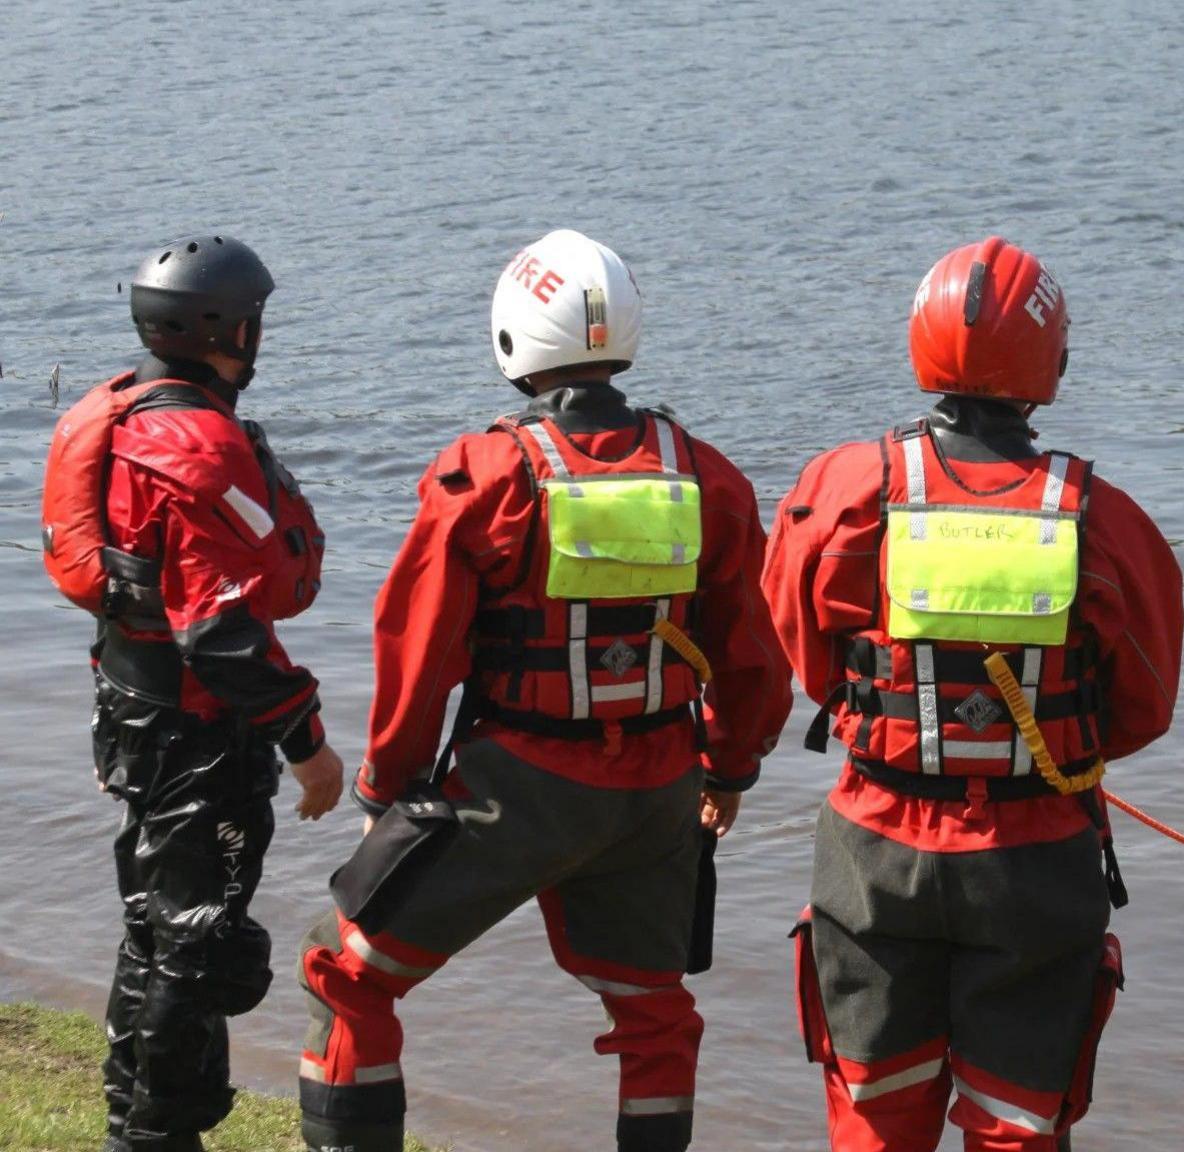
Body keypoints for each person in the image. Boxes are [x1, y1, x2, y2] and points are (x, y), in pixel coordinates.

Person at [293, 229, 791, 1152]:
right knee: (653, 1011)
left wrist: (386, 790)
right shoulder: (707, 474)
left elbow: (417, 652)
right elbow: (754, 658)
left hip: (511, 783)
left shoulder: (481, 477)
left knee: (345, 968)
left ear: (513, 339)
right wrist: (728, 772)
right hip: (657, 789)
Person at [764, 236, 1184, 1152]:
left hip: (873, 852)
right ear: (1054, 361)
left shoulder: (842, 491)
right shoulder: (1101, 517)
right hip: (1035, 861)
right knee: (1018, 1127)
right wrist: (1041, 744)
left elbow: (803, 652)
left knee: (876, 1117)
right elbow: (1144, 704)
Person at [40, 234, 344, 1152]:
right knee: (195, 943)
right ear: (230, 330)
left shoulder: (125, 413)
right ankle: (155, 1136)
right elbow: (217, 630)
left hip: (134, 712)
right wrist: (308, 744)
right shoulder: (193, 445)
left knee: (156, 930)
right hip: (195, 732)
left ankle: (138, 1126)